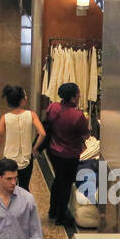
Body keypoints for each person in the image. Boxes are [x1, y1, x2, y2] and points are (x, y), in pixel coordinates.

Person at [42, 81, 92, 227]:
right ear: (72, 98)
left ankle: (52, 209)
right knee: (66, 185)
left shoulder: (53, 107)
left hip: (53, 150)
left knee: (58, 180)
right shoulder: (77, 116)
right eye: (78, 94)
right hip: (70, 154)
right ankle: (61, 216)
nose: (79, 96)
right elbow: (85, 135)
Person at [0, 84, 46, 192]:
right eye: (25, 95)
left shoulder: (5, 118)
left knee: (9, 187)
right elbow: (42, 133)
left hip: (9, 158)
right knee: (24, 187)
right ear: (22, 100)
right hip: (26, 158)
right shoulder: (31, 115)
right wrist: (34, 148)